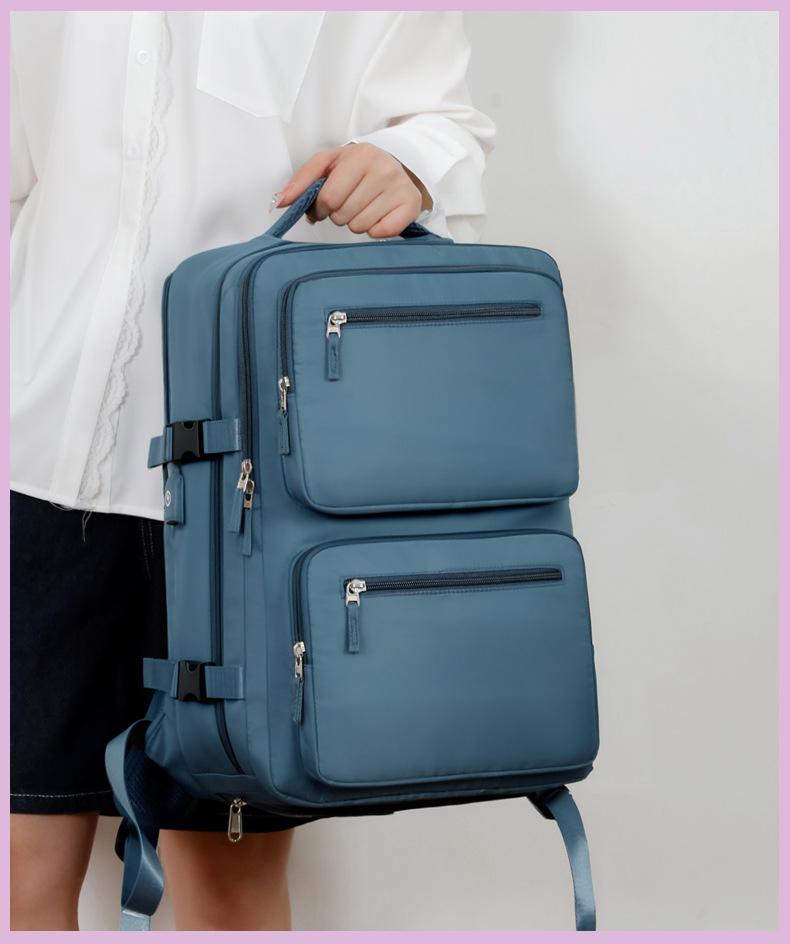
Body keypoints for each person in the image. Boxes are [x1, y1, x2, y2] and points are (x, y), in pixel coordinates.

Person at [10, 11, 495, 931]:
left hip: (252, 499)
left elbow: (446, 125)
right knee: (16, 875)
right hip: (40, 459)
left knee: (227, 890)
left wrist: (408, 163)